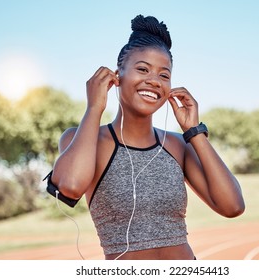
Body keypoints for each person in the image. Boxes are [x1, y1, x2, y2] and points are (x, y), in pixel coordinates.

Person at [49, 14, 245, 260]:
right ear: (117, 74)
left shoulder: (178, 144)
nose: (154, 81)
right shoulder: (84, 140)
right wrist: (94, 109)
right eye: (142, 69)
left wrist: (194, 132)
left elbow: (233, 206)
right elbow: (70, 186)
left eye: (164, 75)